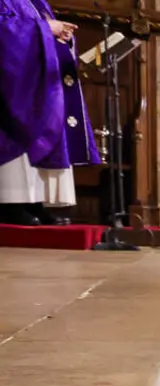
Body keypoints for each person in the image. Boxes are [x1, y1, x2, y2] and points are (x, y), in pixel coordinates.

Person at [0, 0, 100, 226]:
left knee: (41, 138)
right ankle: (10, 205)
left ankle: (35, 203)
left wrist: (60, 36)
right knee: (19, 139)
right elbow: (5, 32)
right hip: (12, 90)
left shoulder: (37, 2)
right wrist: (45, 29)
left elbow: (42, 31)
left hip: (40, 85)